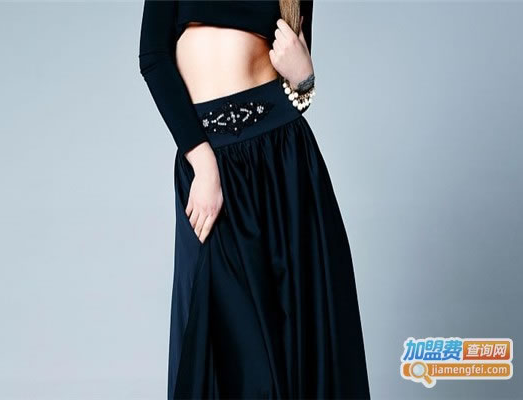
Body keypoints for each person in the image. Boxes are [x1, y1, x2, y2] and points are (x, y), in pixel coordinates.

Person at [138, 1, 370, 398]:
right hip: (211, 162)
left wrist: (306, 79)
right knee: (231, 348)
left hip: (283, 159)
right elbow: (153, 57)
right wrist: (204, 164)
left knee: (295, 336)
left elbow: (295, 77)